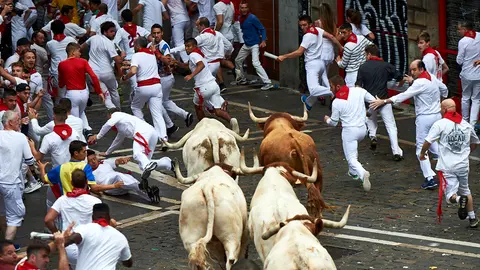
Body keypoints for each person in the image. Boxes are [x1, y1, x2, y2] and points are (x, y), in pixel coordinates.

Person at [370, 60, 448, 190]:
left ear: (421, 69)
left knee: (420, 149)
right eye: (411, 70)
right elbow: (444, 89)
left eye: (414, 70)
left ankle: (429, 178)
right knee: (434, 144)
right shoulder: (432, 78)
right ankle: (448, 171)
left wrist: (384, 101)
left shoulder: (419, 83)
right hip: (436, 117)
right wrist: (442, 101)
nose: (411, 72)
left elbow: (403, 96)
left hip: (424, 118)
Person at [420, 99, 479, 228]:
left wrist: (422, 153)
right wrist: (467, 152)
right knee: (465, 189)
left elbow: (427, 141)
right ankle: (473, 218)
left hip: (447, 166)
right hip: (463, 165)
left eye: (441, 108)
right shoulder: (466, 125)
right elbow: (475, 142)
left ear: (445, 109)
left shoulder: (440, 124)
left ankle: (458, 200)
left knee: (450, 195)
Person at [277, 15, 341, 111]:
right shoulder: (318, 30)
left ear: (310, 24)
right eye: (301, 25)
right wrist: (340, 46)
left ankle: (334, 92)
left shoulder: (307, 36)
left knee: (314, 89)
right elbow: (331, 36)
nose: (302, 27)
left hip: (312, 65)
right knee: (322, 85)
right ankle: (308, 103)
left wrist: (284, 56)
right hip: (321, 63)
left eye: (304, 25)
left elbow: (299, 52)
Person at [88, 111, 173, 180]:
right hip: (152, 133)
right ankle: (167, 163)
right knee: (143, 163)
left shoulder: (116, 114)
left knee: (137, 154)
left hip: (142, 132)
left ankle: (147, 166)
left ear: (110, 115)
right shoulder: (122, 125)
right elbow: (118, 140)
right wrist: (107, 152)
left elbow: (108, 124)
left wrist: (97, 136)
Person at [324, 75, 373, 191]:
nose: (330, 89)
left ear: (338, 86)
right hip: (363, 130)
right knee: (352, 151)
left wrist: (327, 119)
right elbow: (374, 102)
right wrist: (368, 113)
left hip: (350, 132)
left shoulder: (336, 102)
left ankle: (362, 173)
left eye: (331, 87)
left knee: (351, 158)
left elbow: (334, 123)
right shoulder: (359, 91)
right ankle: (352, 172)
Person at [44, 169, 102, 266]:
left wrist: (56, 233)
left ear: (71, 183)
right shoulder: (95, 201)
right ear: (86, 182)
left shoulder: (62, 200)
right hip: (89, 247)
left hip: (69, 248)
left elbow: (48, 219)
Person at [356, 44, 404, 160]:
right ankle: (396, 151)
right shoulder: (385, 66)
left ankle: (373, 136)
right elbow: (399, 76)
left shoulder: (362, 67)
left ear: (369, 54)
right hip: (383, 100)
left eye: (365, 55)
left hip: (370, 101)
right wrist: (400, 84)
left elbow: (358, 86)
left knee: (370, 119)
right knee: (391, 126)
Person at [121, 37, 168, 141]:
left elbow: (133, 71)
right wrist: (130, 64)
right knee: (157, 114)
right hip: (156, 86)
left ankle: (146, 131)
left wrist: (124, 77)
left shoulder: (136, 55)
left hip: (143, 87)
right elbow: (144, 64)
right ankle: (163, 138)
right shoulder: (152, 54)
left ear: (137, 46)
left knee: (135, 107)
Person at [175, 38, 232, 122]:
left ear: (194, 46)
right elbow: (189, 66)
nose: (186, 48)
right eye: (186, 46)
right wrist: (177, 62)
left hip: (203, 87)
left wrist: (191, 75)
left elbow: (201, 65)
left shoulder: (193, 55)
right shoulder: (199, 54)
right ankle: (232, 121)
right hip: (214, 85)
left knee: (198, 107)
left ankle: (203, 125)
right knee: (218, 111)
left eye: (189, 46)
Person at [150, 24, 194, 130]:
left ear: (162, 33)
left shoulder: (163, 46)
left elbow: (168, 60)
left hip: (165, 78)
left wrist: (156, 52)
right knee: (164, 101)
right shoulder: (150, 45)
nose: (156, 35)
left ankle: (169, 126)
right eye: (154, 33)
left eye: (158, 33)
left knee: (157, 102)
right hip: (160, 78)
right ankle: (185, 115)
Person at [0, 111, 35, 246]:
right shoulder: (20, 137)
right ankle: (8, 248)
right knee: (15, 216)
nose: (19, 122)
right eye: (17, 120)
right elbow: (30, 160)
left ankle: (5, 244)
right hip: (10, 183)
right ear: (9, 122)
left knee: (2, 212)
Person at [64, 203, 133, 269]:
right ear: (109, 217)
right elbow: (128, 263)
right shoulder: (121, 237)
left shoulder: (84, 229)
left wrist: (64, 238)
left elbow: (69, 241)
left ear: (92, 217)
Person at [58, 42, 104, 129]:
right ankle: (88, 130)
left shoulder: (62, 64)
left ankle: (80, 138)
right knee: (82, 112)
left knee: (76, 120)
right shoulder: (83, 61)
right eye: (79, 51)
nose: (80, 54)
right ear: (73, 52)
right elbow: (93, 76)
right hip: (84, 93)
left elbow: (61, 83)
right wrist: (99, 91)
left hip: (72, 94)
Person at [83, 21, 124, 110]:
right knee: (113, 91)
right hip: (107, 72)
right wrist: (122, 56)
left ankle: (111, 109)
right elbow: (117, 60)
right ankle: (118, 110)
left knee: (105, 94)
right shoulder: (109, 43)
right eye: (111, 31)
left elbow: (82, 47)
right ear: (105, 32)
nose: (114, 33)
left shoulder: (93, 38)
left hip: (93, 73)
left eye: (114, 31)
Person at [233, 1, 273, 90]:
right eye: (242, 8)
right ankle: (242, 79)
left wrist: (263, 40)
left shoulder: (252, 18)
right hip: (247, 44)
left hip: (255, 44)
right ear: (240, 9)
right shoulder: (240, 18)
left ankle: (267, 82)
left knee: (255, 63)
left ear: (248, 8)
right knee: (238, 60)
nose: (243, 9)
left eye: (245, 8)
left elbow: (262, 29)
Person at [87, 150, 152, 202]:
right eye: (90, 161)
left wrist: (122, 160)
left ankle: (150, 196)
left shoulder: (104, 162)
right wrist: (113, 186)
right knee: (118, 175)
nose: (93, 161)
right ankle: (140, 186)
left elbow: (117, 161)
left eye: (94, 158)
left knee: (127, 176)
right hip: (111, 188)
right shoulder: (89, 173)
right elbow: (94, 188)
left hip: (123, 186)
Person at [114, 9, 150, 91]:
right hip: (141, 58)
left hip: (130, 59)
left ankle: (136, 102)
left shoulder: (121, 31)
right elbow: (151, 38)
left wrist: (121, 51)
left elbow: (115, 44)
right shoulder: (140, 28)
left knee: (135, 85)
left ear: (122, 18)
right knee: (141, 82)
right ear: (132, 17)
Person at [46, 20, 77, 101]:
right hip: (71, 70)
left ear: (52, 31)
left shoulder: (49, 44)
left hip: (57, 71)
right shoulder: (71, 39)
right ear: (64, 29)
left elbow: (49, 58)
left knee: (60, 96)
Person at [456, 21, 480, 127]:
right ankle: (473, 124)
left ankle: (465, 122)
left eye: (459, 29)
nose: (458, 31)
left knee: (465, 97)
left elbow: (459, 60)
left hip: (466, 74)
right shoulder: (479, 36)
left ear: (465, 29)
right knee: (476, 99)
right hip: (478, 74)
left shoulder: (463, 41)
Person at [336, 23, 373, 87]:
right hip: (363, 72)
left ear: (350, 31)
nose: (342, 35)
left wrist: (338, 61)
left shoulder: (348, 46)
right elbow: (372, 46)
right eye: (340, 33)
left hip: (352, 76)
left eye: (344, 32)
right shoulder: (361, 38)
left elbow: (343, 65)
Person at [314, 3, 337, 91]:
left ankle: (321, 91)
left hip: (321, 50)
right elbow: (334, 35)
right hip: (330, 51)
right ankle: (324, 90)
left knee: (319, 73)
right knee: (325, 73)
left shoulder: (317, 22)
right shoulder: (332, 23)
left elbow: (315, 36)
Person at [30, 31, 53, 121]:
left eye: (43, 38)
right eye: (40, 38)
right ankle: (52, 120)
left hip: (33, 75)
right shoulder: (41, 50)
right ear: (34, 39)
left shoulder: (29, 47)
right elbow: (47, 62)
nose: (43, 40)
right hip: (40, 76)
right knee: (47, 100)